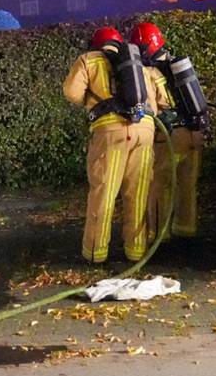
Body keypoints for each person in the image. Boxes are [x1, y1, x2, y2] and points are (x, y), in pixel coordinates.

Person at [62, 26, 170, 263]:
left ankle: (96, 253)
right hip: (145, 131)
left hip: (110, 133)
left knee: (104, 192)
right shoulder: (141, 65)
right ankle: (136, 251)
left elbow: (71, 93)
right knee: (138, 193)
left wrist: (94, 100)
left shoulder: (88, 59)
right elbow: (164, 102)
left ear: (96, 44)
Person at [129, 22, 206, 242]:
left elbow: (151, 110)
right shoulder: (179, 65)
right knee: (187, 184)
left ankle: (157, 234)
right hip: (194, 132)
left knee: (158, 185)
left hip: (170, 137)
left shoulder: (148, 72)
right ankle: (186, 229)